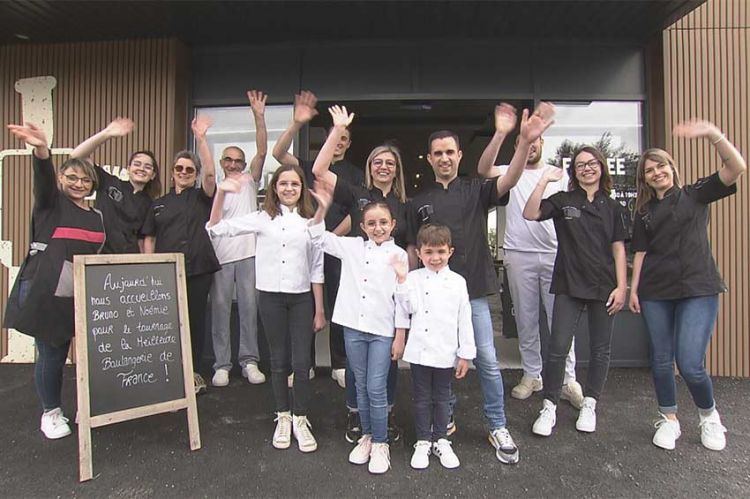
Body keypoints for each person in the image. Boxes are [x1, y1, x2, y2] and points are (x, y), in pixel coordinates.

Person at [406, 102, 555, 464]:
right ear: (428, 158)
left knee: (486, 360)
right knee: (438, 362)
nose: (444, 158)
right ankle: (447, 417)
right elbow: (412, 250)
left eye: (450, 152)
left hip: (470, 291)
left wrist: (520, 143)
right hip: (429, 298)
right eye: (437, 153)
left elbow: (509, 179)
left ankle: (496, 423)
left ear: (459, 155)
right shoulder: (418, 202)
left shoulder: (477, 189)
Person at [629, 120, 746, 451]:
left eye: (660, 165)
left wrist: (713, 134)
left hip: (698, 289)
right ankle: (669, 419)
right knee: (662, 360)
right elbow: (640, 252)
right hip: (655, 293)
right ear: (644, 179)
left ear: (671, 168)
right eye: (649, 170)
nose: (656, 172)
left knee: (691, 362)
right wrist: (634, 290)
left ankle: (709, 417)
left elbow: (736, 166)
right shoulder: (644, 211)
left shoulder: (695, 194)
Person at [207, 164, 326, 453]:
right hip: (270, 298)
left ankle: (300, 417)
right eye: (283, 183)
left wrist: (319, 309)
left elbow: (317, 268)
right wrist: (221, 194)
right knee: (278, 361)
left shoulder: (310, 221)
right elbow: (215, 229)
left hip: (301, 300)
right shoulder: (261, 218)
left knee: (301, 362)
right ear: (274, 188)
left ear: (301, 189)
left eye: (294, 184)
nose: (288, 189)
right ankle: (282, 416)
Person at [312, 105, 408, 444]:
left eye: (390, 162)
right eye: (377, 161)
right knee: (356, 364)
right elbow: (319, 168)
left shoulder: (404, 204)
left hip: (389, 296)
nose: (383, 166)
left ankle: (386, 413)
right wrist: (338, 130)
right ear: (369, 167)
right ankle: (356, 414)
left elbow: (410, 250)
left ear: (397, 170)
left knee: (389, 363)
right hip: (360, 285)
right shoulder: (356, 191)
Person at [4, 123, 106, 439]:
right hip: (47, 289)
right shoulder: (50, 204)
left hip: (81, 292)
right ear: (60, 179)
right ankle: (51, 412)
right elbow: (42, 180)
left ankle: (83, 408)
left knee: (86, 356)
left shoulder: (96, 216)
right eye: (71, 177)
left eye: (84, 179)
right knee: (52, 353)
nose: (78, 183)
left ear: (92, 184)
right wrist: (41, 150)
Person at [477, 108, 582, 407]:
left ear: (543, 144)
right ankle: (532, 373)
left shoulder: (559, 176)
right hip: (518, 254)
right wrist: (502, 133)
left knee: (560, 319)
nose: (532, 146)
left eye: (537, 142)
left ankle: (567, 378)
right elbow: (484, 170)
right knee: (526, 319)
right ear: (521, 144)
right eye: (527, 142)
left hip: (555, 255)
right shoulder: (510, 170)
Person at [523, 146, 629, 437]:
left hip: (604, 287)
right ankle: (549, 405)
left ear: (602, 167)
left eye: (592, 163)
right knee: (557, 348)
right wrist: (543, 180)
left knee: (600, 349)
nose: (587, 168)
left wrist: (622, 286)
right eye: (580, 165)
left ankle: (590, 402)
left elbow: (619, 249)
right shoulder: (563, 201)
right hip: (569, 284)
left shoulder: (613, 208)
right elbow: (530, 212)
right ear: (574, 172)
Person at [308, 179, 408, 475]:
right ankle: (366, 435)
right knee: (360, 385)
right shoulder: (351, 246)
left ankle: (381, 442)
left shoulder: (398, 255)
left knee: (376, 387)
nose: (378, 228)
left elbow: (403, 301)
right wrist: (322, 209)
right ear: (362, 227)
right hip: (353, 327)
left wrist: (400, 336)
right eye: (371, 223)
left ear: (392, 225)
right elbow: (317, 238)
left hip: (381, 331)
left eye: (383, 223)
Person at [273, 90, 364, 388]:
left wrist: (329, 238)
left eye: (344, 140)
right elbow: (277, 154)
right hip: (305, 245)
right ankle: (306, 363)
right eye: (334, 138)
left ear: (348, 144)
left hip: (338, 247)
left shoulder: (354, 173)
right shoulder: (307, 165)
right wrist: (296, 124)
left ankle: (339, 362)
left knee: (339, 303)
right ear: (327, 138)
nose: (338, 143)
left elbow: (358, 210)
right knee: (305, 305)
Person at [141, 116, 220, 395]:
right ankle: (168, 373)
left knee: (195, 321)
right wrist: (151, 267)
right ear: (172, 172)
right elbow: (149, 237)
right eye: (179, 168)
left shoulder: (202, 196)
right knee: (168, 322)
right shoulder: (159, 204)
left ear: (195, 174)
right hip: (165, 271)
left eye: (190, 169)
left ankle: (195, 373)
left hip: (198, 268)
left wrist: (201, 139)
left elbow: (211, 175)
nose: (184, 172)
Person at [195, 90, 268, 387]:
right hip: (220, 256)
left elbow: (262, 152)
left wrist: (258, 116)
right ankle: (222, 364)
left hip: (250, 253)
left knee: (250, 308)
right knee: (221, 309)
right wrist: (201, 139)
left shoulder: (251, 179)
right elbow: (209, 175)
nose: (235, 164)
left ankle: (249, 361)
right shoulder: (215, 185)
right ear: (223, 162)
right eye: (230, 160)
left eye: (239, 160)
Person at [392, 224, 476, 470]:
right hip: (420, 350)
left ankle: (441, 439)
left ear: (450, 251)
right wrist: (401, 280)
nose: (435, 258)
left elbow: (464, 318)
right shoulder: (414, 279)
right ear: (419, 253)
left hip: (446, 351)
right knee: (420, 398)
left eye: (440, 251)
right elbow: (406, 308)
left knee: (442, 397)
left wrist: (465, 354)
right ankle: (422, 441)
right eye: (429, 252)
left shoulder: (459, 282)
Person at [70, 117, 161, 254]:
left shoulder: (150, 203)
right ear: (128, 168)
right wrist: (107, 133)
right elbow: (76, 156)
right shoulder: (109, 182)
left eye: (147, 167)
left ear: (153, 175)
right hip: (97, 254)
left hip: (128, 261)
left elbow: (143, 242)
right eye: (137, 164)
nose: (141, 169)